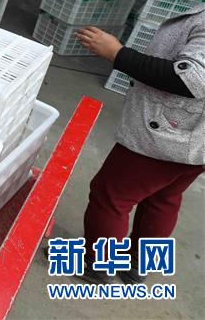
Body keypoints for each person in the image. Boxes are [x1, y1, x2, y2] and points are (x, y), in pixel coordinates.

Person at [74, 20, 205, 284]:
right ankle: (137, 264)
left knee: (111, 195)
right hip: (194, 142)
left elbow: (191, 79)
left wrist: (117, 54)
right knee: (164, 197)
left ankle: (98, 265)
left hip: (169, 136)